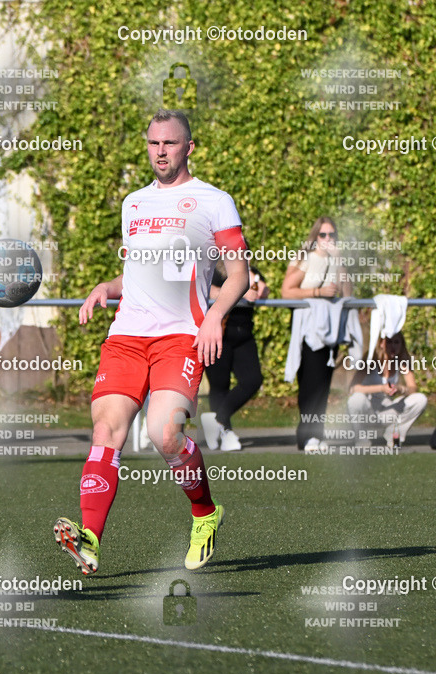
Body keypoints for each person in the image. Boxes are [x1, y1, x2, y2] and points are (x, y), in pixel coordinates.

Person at [55, 109, 249, 576]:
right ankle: (90, 539)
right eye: (153, 143)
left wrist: (215, 316)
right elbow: (141, 271)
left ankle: (205, 513)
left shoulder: (214, 201)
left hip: (180, 337)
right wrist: (107, 287)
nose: (160, 152)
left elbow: (238, 273)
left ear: (189, 148)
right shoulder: (134, 203)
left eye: (170, 143)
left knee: (165, 434)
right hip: (126, 335)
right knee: (106, 431)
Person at [281, 216, 353, 452]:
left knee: (323, 385)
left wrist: (340, 262)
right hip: (309, 330)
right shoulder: (305, 258)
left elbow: (348, 294)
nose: (327, 239)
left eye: (332, 235)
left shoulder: (337, 260)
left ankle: (316, 434)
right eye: (323, 234)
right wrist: (318, 292)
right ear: (315, 236)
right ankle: (306, 436)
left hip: (330, 330)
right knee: (310, 384)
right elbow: (286, 291)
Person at [201, 264, 268, 451]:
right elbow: (207, 290)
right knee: (220, 385)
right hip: (219, 333)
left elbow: (263, 291)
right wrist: (238, 291)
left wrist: (249, 273)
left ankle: (217, 420)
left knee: (253, 380)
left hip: (244, 334)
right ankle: (225, 430)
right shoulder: (214, 270)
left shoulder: (250, 271)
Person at [347, 332, 427, 448]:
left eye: (396, 342)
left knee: (420, 399)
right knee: (356, 400)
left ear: (401, 344)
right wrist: (381, 388)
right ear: (381, 344)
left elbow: (413, 388)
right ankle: (361, 439)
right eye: (389, 342)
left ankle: (393, 434)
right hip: (368, 411)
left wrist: (400, 389)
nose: (393, 346)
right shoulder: (371, 359)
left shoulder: (402, 361)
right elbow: (353, 388)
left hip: (388, 410)